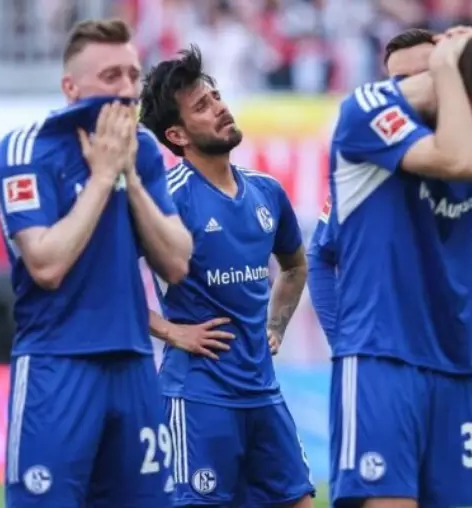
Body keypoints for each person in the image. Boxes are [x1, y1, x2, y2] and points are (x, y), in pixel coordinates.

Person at [309, 27, 472, 508]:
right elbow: (458, 160)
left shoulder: (462, 124)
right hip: (383, 358)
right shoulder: (367, 110)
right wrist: (450, 70)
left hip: (453, 366)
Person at [0, 18, 193, 508]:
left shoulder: (142, 149)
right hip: (58, 364)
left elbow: (177, 261)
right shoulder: (25, 149)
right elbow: (46, 264)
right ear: (69, 87)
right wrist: (103, 178)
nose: (126, 90)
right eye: (110, 77)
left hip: (134, 366)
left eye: (132, 75)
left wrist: (130, 176)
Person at [139, 46, 314, 508]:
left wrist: (274, 326)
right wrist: (171, 331)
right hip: (197, 397)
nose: (219, 106)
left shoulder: (267, 192)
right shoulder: (168, 200)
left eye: (215, 96)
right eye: (202, 105)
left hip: (263, 392)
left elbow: (295, 266)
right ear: (176, 135)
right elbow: (102, 283)